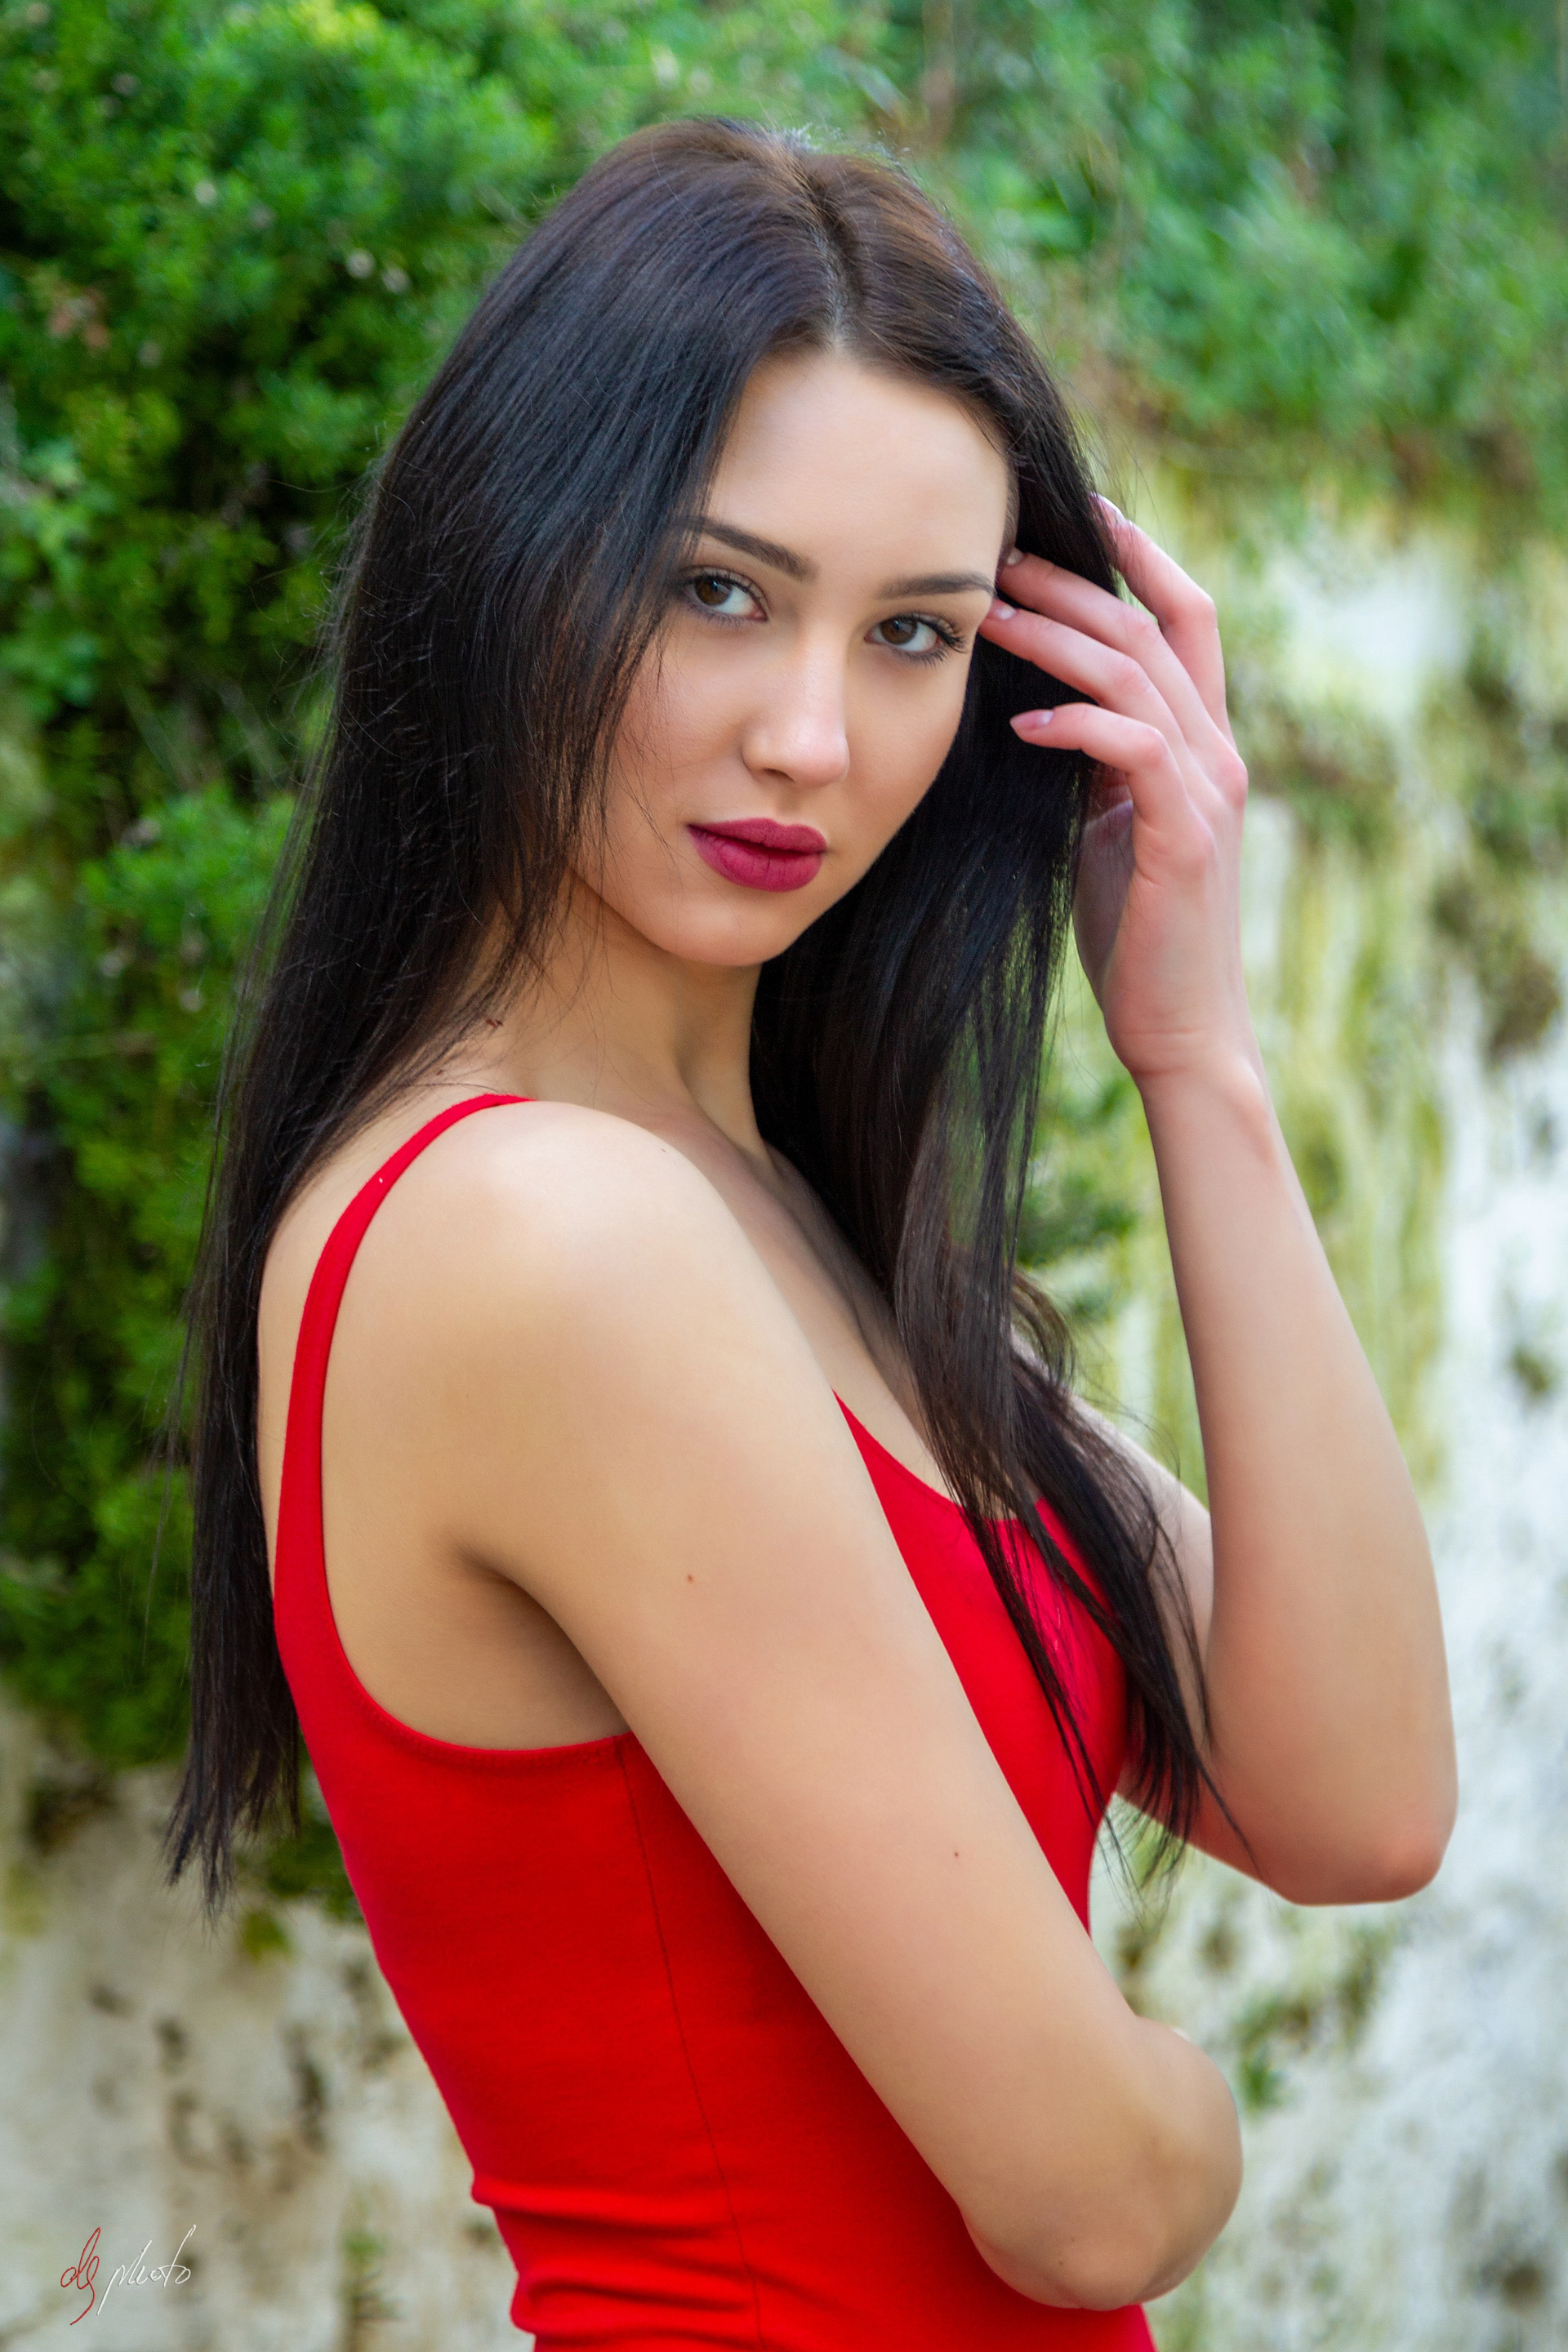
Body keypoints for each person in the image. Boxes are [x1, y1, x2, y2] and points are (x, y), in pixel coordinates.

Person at [163, 117, 1456, 2349]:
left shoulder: (778, 1224)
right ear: (512, 556)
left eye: (915, 633)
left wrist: (1201, 1064)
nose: (810, 737)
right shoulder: (548, 1242)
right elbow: (1092, 2203)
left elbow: (1355, 1804)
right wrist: (1188, 2117)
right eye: (717, 590)